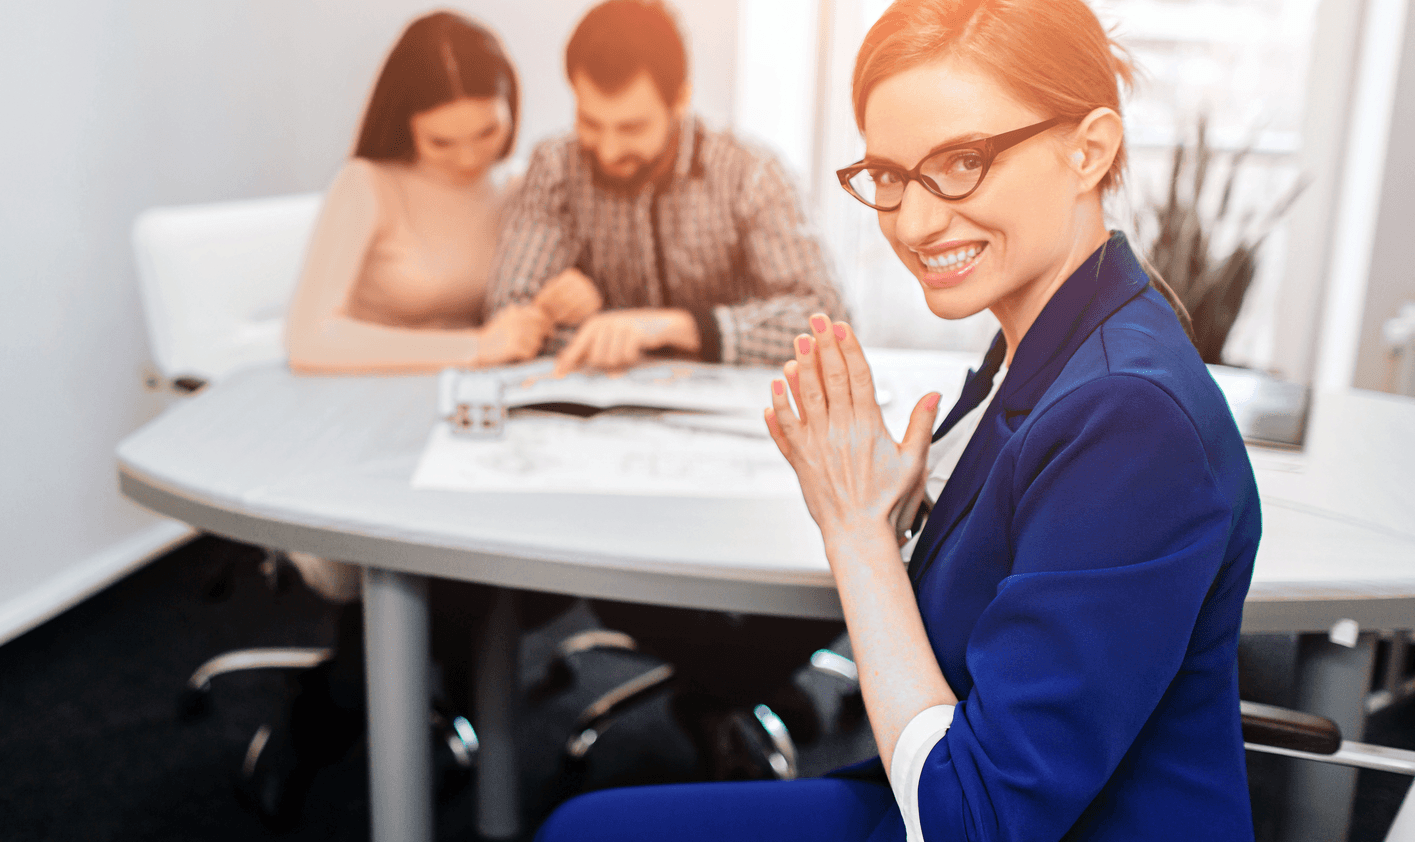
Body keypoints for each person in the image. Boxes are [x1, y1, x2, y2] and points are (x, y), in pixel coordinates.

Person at [535, 0, 1259, 839]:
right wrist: (907, 514)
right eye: (889, 175)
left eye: (963, 162)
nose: (912, 223)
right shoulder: (1049, 337)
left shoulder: (1131, 417)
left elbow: (974, 821)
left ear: (1088, 150)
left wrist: (858, 530)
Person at [485, 0, 854, 777]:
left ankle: (720, 682)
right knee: (613, 562)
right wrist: (557, 311)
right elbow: (509, 313)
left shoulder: (747, 170)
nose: (607, 148)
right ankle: (731, 684)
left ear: (680, 101)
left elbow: (822, 313)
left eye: (631, 127)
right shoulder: (558, 166)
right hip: (610, 460)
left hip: (750, 451)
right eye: (593, 123)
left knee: (845, 558)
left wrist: (675, 326)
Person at [244, 11, 553, 828]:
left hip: (462, 431)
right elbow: (310, 339)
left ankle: (397, 689)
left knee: (507, 556)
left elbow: (517, 307)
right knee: (433, 574)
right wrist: (472, 345)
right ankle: (330, 707)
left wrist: (542, 312)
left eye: (486, 132)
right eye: (441, 142)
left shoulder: (513, 183)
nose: (469, 158)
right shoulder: (369, 184)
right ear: (403, 123)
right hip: (358, 436)